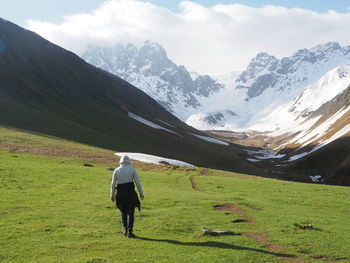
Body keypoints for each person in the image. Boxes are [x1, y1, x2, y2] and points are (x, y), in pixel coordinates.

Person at [110, 155, 144, 238]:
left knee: (123, 212)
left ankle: (125, 230)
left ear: (120, 161)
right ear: (129, 161)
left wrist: (112, 195)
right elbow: (138, 182)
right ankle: (130, 232)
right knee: (131, 213)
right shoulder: (132, 169)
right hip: (130, 193)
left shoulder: (116, 170)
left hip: (120, 193)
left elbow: (113, 184)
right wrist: (141, 193)